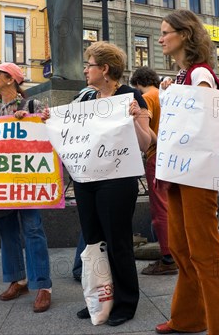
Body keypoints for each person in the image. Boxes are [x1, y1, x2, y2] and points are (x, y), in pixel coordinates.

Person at [154, 9, 219, 335]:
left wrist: (176, 96)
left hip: (197, 176)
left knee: (205, 252)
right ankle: (189, 318)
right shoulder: (184, 75)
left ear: (185, 35)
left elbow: (206, 117)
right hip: (181, 173)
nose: (161, 38)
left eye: (166, 32)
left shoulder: (200, 74)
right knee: (181, 247)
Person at [74, 41, 151, 327]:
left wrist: (134, 120)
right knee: (94, 243)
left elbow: (146, 143)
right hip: (87, 180)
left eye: (89, 64)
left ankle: (125, 302)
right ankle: (98, 298)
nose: (85, 69)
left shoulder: (131, 97)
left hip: (117, 182)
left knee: (118, 243)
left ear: (104, 69)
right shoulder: (84, 99)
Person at [0, 62, 53, 313]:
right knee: (6, 229)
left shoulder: (31, 105)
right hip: (2, 181)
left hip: (26, 178)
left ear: (11, 79)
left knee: (33, 229)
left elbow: (46, 130)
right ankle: (18, 280)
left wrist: (31, 119)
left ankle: (43, 285)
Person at [129, 67, 177, 275]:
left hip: (155, 155)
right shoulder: (165, 95)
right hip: (173, 157)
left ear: (137, 83)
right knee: (173, 205)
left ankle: (167, 258)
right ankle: (176, 251)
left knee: (160, 208)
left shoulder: (146, 98)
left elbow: (145, 128)